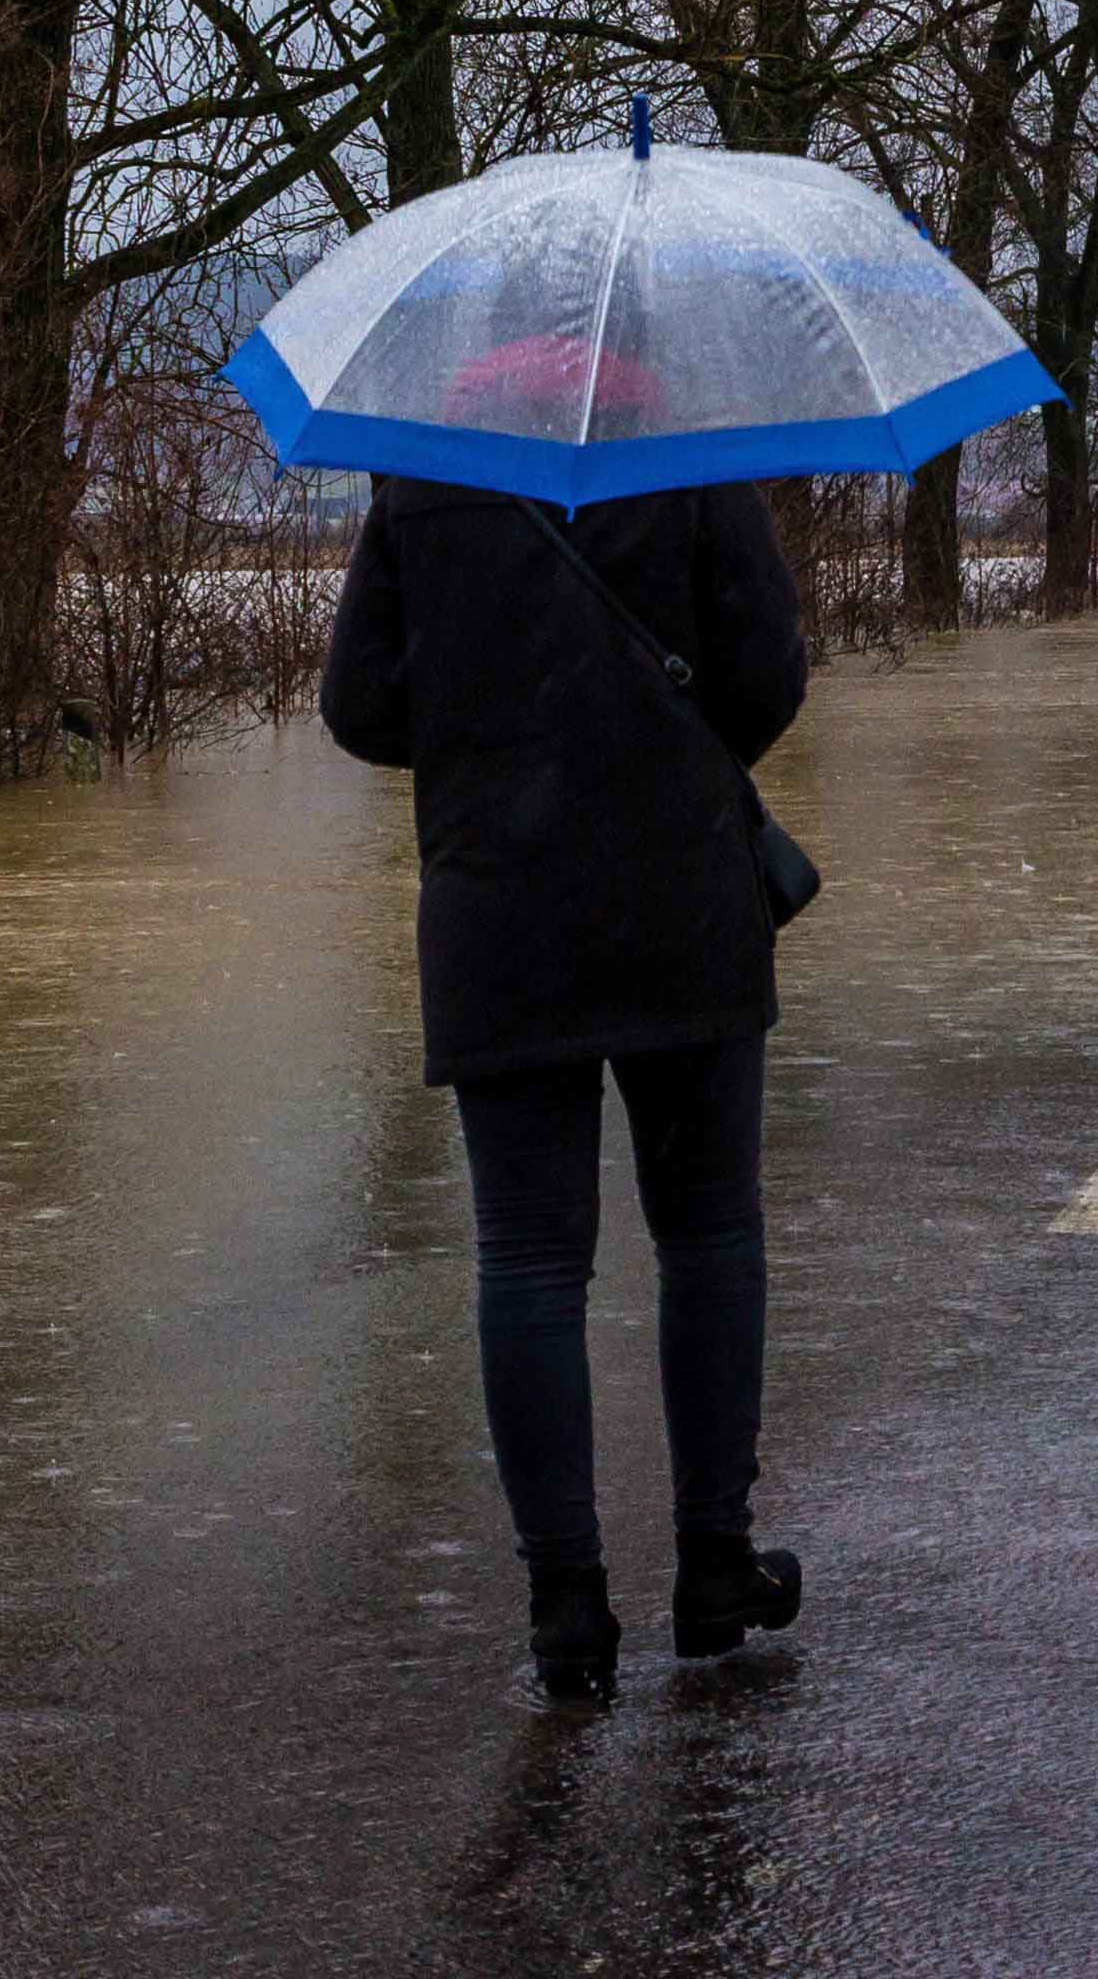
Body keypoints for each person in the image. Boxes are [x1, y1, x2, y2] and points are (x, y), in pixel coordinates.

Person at [319, 344, 813, 1704]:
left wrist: (496, 750)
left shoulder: (425, 470)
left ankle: (566, 1611)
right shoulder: (692, 447)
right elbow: (770, 674)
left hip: (502, 919)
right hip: (685, 905)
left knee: (531, 1262)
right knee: (709, 1233)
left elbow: (358, 706)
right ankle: (715, 1570)